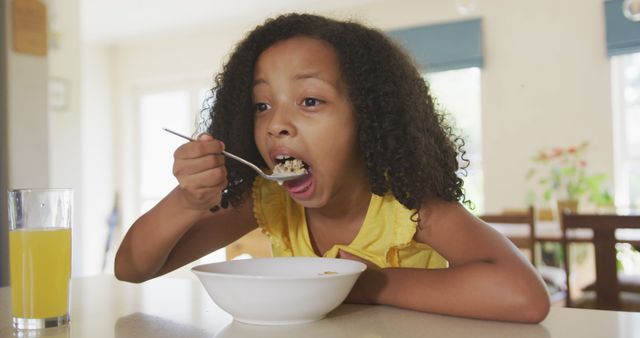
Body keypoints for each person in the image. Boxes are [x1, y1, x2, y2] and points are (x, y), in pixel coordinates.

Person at [115, 13, 550, 323]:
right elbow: (133, 268)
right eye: (261, 105)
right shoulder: (268, 202)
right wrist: (187, 201)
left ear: (370, 116)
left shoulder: (408, 207)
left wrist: (364, 285)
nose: (276, 124)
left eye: (310, 101)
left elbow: (524, 298)